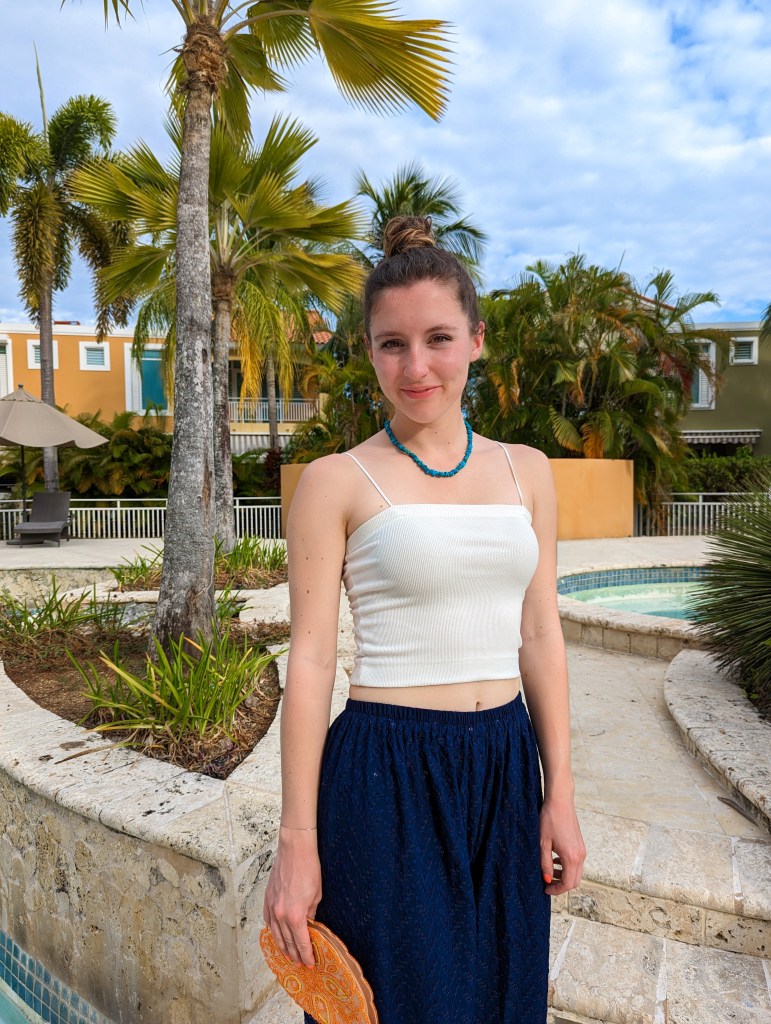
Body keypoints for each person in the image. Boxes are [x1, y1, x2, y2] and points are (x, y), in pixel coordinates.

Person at [263, 215, 586, 1024]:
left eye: (438, 338)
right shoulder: (335, 481)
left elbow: (539, 634)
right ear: (368, 352)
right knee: (402, 1004)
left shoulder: (528, 472)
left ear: (475, 340)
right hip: (384, 774)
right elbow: (311, 662)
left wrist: (559, 792)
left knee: (503, 998)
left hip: (505, 767)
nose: (416, 367)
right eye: (391, 344)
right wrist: (296, 841)